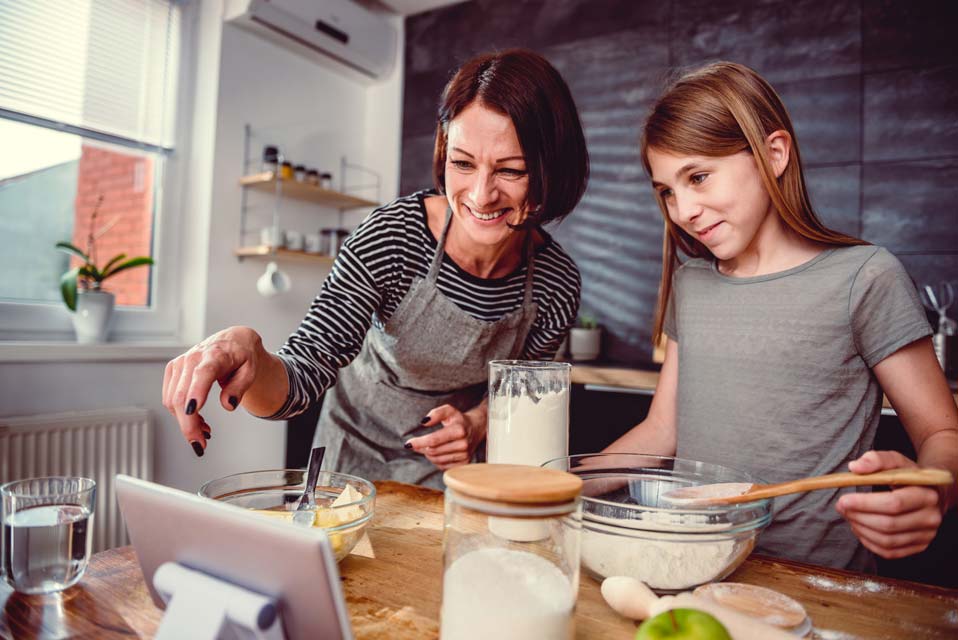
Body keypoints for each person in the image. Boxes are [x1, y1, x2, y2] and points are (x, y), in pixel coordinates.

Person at [162, 49, 589, 488]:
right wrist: (252, 356)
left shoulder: (556, 284)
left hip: (451, 475)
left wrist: (478, 422)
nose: (481, 195)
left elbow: (524, 398)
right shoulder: (392, 239)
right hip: (350, 459)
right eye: (462, 164)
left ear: (549, 170)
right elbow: (306, 370)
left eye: (510, 171)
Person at [606, 61, 958, 571]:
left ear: (774, 154)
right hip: (696, 568)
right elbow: (663, 431)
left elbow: (942, 435)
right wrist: (561, 484)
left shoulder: (865, 277)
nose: (683, 210)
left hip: (820, 585)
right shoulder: (692, 284)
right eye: (667, 191)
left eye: (698, 177)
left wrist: (936, 492)